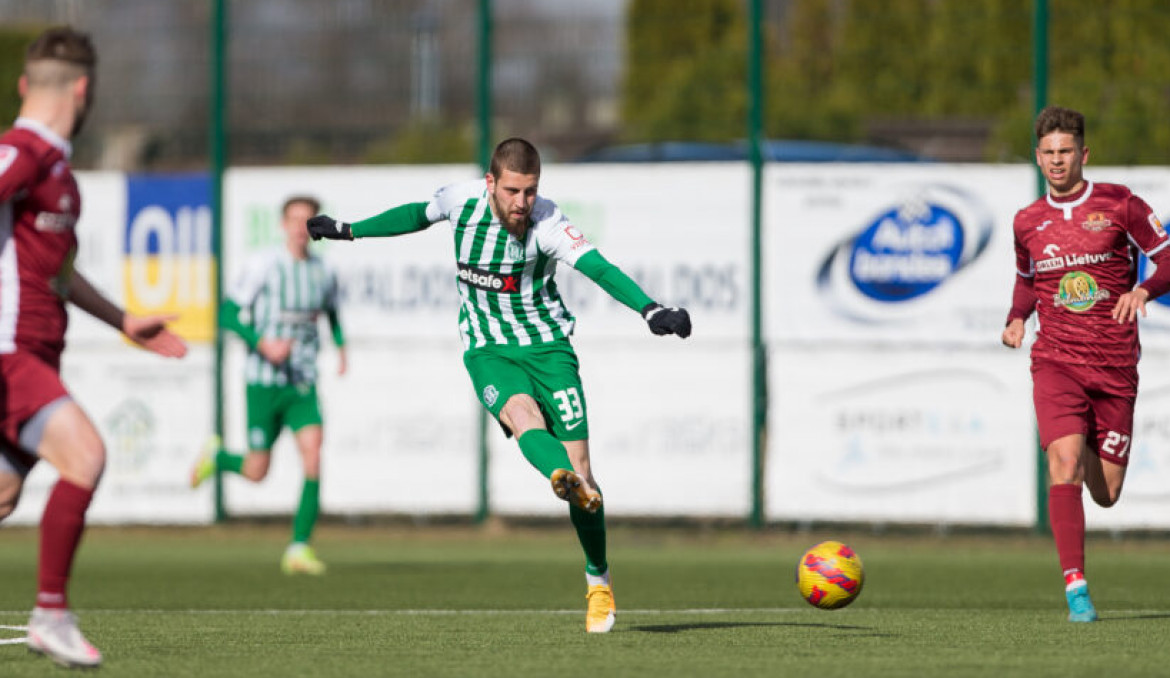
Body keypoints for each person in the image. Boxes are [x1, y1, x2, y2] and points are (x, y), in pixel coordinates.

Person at [306, 138, 691, 633]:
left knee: (586, 477)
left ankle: (598, 578)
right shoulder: (461, 201)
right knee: (523, 416)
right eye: (512, 190)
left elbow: (598, 267)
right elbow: (416, 215)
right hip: (488, 350)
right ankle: (561, 480)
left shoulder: (549, 223)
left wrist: (650, 308)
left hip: (550, 350)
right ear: (491, 183)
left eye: (530, 191)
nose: (521, 203)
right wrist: (348, 230)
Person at [0, 26, 188, 668]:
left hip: (32, 357)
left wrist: (122, 319)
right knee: (86, 457)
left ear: (28, 84)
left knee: (2, 493)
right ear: (85, 90)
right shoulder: (23, 152)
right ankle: (51, 614)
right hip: (8, 357)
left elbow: (55, 272)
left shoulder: (54, 169)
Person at [1001, 106, 1170, 623]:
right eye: (1048, 154)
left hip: (1115, 367)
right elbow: (1026, 280)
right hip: (1056, 360)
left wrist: (1143, 290)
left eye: (1066, 152)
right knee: (1063, 464)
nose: (1057, 161)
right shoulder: (1027, 221)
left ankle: (1084, 437)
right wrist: (1017, 318)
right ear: (1038, 158)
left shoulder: (1120, 204)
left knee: (1105, 493)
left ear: (1084, 154)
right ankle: (1076, 587)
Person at [190, 195, 347, 575]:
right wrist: (263, 344)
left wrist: (342, 348)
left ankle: (298, 548)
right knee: (257, 471)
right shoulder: (264, 266)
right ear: (282, 225)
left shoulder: (322, 272)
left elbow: (331, 312)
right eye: (294, 219)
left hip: (302, 384)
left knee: (313, 455)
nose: (300, 227)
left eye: (307, 221)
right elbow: (227, 313)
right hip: (263, 382)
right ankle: (219, 458)